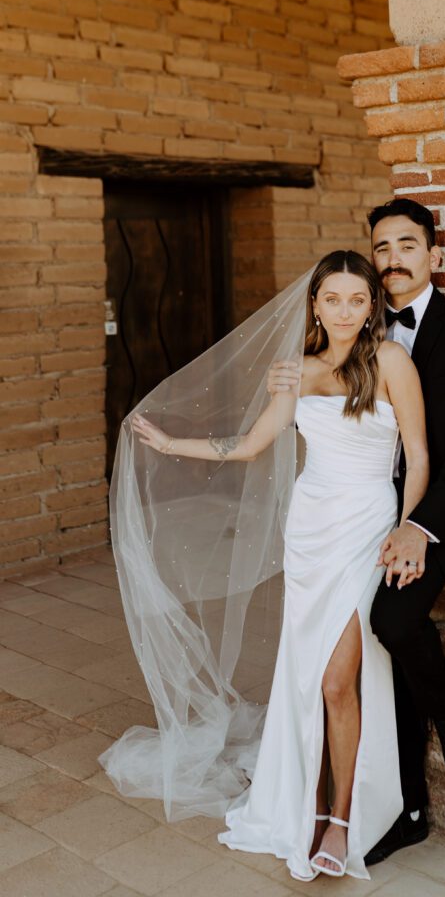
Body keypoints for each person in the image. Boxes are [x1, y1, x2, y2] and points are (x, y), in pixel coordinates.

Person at [129, 249, 429, 882]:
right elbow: (247, 445)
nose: (346, 311)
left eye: (357, 299)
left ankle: (342, 816)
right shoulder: (294, 371)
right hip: (311, 527)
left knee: (336, 679)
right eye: (333, 299)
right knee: (305, 672)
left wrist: (407, 527)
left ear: (372, 304)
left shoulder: (395, 363)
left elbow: (419, 455)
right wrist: (170, 441)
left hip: (366, 527)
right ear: (315, 304)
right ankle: (307, 802)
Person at [267, 198, 445, 866]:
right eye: (381, 247)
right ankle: (397, 809)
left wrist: (418, 528)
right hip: (358, 516)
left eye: (408, 244)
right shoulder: (347, 335)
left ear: (434, 256)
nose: (393, 257)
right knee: (362, 654)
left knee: (394, 623)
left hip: (437, 518)